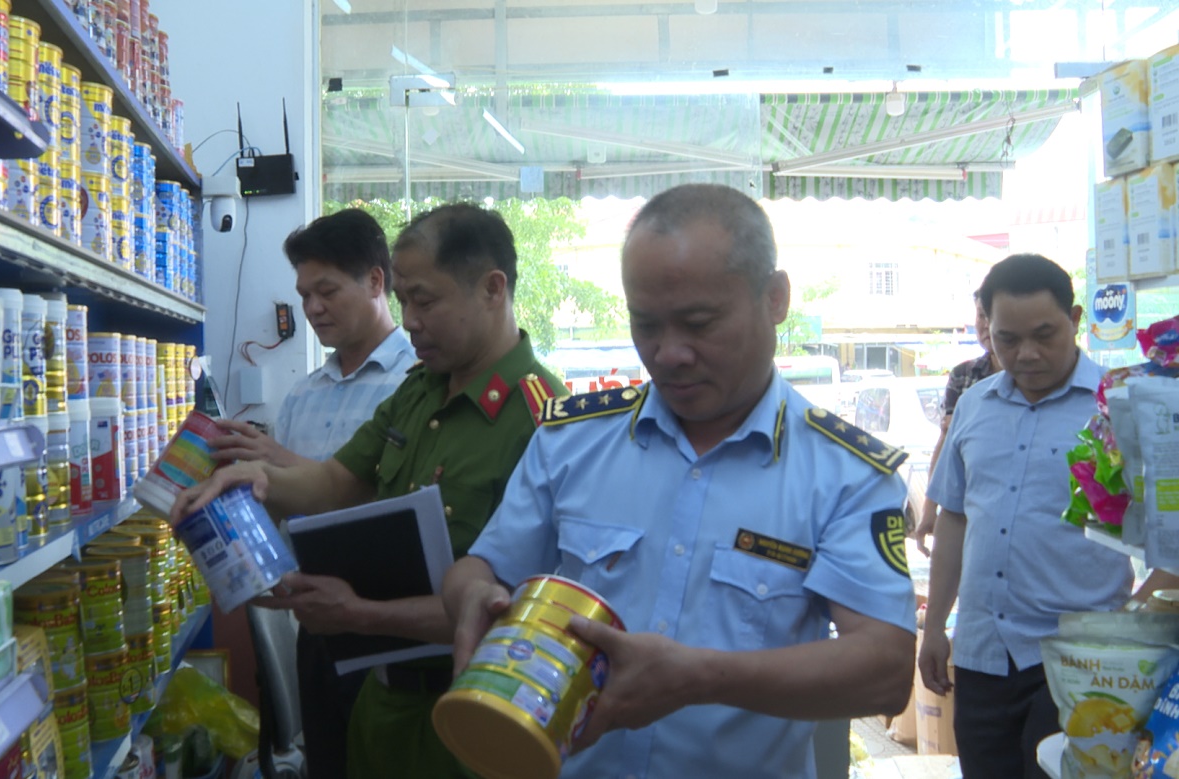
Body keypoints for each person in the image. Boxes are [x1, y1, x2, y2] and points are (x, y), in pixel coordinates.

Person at [443, 184, 917, 779]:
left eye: (698, 323)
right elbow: (483, 568)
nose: (668, 354)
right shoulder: (571, 442)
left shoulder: (845, 473)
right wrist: (470, 596)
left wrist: (701, 676)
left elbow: (885, 670)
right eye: (645, 325)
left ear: (775, 298)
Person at [171, 202, 565, 779]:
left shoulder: (546, 422)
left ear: (492, 289)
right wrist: (256, 478)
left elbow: (516, 607)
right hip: (379, 703)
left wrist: (361, 615)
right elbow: (334, 482)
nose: (410, 321)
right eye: (404, 301)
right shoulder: (418, 392)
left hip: (470, 710)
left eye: (424, 301)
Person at [918, 253, 1179, 779]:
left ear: (1075, 320)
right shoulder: (974, 406)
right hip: (982, 655)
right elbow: (955, 518)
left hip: (1083, 662)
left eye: (1044, 335)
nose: (1027, 354)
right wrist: (936, 628)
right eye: (1007, 339)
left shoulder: (1124, 405)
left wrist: (1128, 632)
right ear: (987, 329)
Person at [206, 208, 416, 779]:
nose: (313, 308)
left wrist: (276, 462)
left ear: (375, 281)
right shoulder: (304, 395)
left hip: (390, 627)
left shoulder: (413, 385)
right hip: (314, 624)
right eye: (304, 295)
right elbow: (286, 506)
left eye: (327, 291)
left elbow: (382, 503)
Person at [915, 290, 999, 556]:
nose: (986, 324)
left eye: (993, 315)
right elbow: (946, 442)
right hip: (968, 512)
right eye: (981, 315)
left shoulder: (1032, 378)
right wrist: (930, 509)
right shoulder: (964, 375)